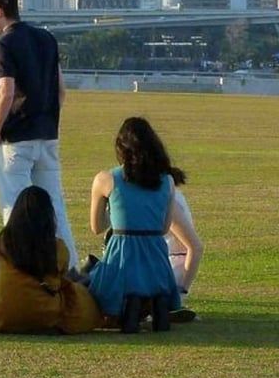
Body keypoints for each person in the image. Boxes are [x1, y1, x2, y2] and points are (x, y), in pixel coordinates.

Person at [0, 0, 78, 267]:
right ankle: (69, 268)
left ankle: (20, 270)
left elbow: (7, 92)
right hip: (47, 134)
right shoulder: (46, 38)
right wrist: (47, 119)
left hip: (17, 138)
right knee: (54, 205)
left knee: (15, 207)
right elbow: (61, 90)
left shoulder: (4, 44)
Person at [87, 117, 188, 327]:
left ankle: (126, 309)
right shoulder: (167, 182)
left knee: (88, 276)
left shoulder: (105, 179)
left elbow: (97, 228)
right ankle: (156, 308)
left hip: (121, 258)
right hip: (156, 262)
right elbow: (163, 228)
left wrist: (114, 212)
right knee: (149, 281)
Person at [0, 186, 103, 334]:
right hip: (47, 315)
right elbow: (61, 277)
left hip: (4, 316)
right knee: (85, 299)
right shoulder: (57, 247)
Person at [165, 167, 204, 296]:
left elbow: (195, 247)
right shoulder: (172, 195)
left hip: (172, 270)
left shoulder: (169, 201)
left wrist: (182, 289)